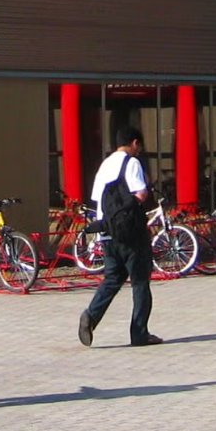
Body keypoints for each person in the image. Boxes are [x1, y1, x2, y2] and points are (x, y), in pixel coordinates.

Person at [79, 129, 160, 348]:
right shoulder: (131, 163)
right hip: (131, 233)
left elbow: (98, 199)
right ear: (134, 143)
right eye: (139, 146)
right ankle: (139, 334)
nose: (139, 150)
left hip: (107, 232)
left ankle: (90, 316)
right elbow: (140, 194)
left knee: (113, 277)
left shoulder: (104, 166)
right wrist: (146, 181)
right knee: (140, 282)